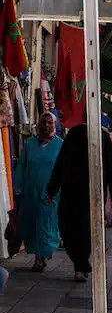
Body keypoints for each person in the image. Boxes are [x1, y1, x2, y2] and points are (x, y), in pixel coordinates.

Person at [47, 121, 112, 282]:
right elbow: (61, 162)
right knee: (67, 227)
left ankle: (80, 266)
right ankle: (80, 262)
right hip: (71, 190)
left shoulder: (101, 136)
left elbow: (110, 164)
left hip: (93, 192)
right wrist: (52, 187)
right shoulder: (73, 134)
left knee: (88, 229)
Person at [14, 112, 63, 272]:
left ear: (54, 125)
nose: (46, 125)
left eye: (49, 123)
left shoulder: (60, 145)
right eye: (43, 122)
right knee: (32, 224)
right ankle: (39, 254)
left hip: (51, 193)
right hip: (31, 192)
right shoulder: (29, 144)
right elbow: (21, 166)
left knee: (46, 223)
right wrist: (18, 188)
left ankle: (41, 257)